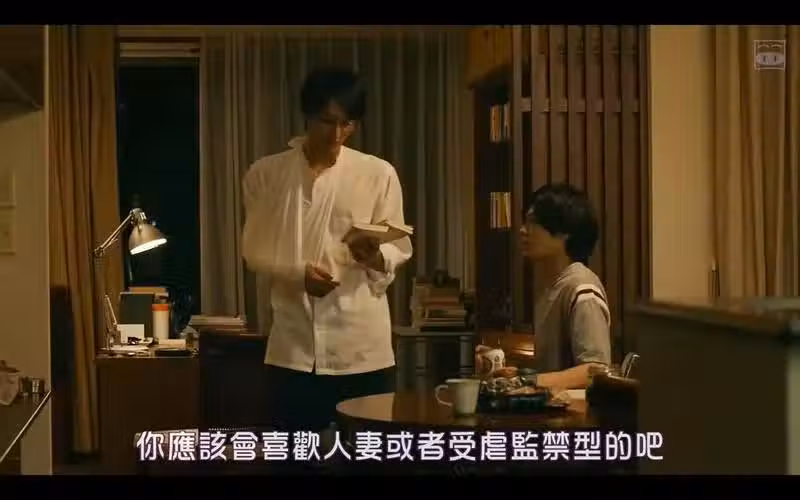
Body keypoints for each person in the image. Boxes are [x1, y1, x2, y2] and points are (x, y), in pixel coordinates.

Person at [241, 66, 413, 438]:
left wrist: (374, 256)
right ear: (307, 114)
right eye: (327, 122)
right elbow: (254, 250)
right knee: (293, 456)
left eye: (347, 124)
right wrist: (297, 274)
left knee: (369, 456)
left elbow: (398, 247)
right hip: (293, 347)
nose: (336, 134)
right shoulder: (266, 175)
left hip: (362, 347)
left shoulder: (378, 174)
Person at [519, 183, 611, 390]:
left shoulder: (582, 287)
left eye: (533, 223)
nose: (523, 230)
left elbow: (596, 370)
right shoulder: (553, 287)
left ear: (563, 232)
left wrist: (528, 382)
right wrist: (517, 375)